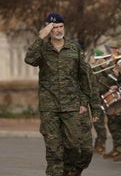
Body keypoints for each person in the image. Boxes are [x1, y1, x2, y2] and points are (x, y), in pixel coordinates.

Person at [24, 12, 100, 176]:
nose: (58, 30)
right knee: (54, 150)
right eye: (54, 27)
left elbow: (84, 77)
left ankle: (70, 172)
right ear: (48, 29)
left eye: (60, 27)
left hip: (71, 106)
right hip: (49, 107)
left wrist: (86, 103)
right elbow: (29, 59)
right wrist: (40, 37)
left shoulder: (74, 49)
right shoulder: (42, 49)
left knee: (74, 146)